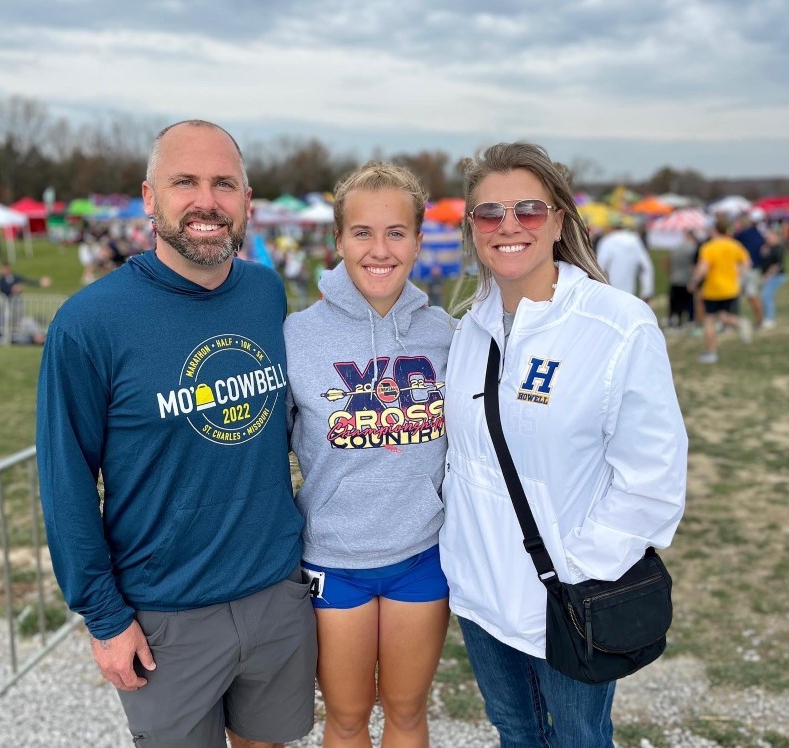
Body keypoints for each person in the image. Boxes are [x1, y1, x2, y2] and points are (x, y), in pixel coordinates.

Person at [36, 120, 317, 748]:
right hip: (165, 615)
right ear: (149, 198)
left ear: (248, 201)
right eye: (184, 181)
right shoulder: (89, 323)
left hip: (275, 591)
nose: (206, 201)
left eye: (224, 183)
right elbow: (66, 481)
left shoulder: (267, 293)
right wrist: (105, 619)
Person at [439, 142, 687, 748]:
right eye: (488, 214)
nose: (508, 227)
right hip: (480, 597)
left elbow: (653, 479)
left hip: (565, 597)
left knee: (578, 740)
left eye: (527, 209)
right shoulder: (467, 328)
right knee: (516, 733)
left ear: (558, 220)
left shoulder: (616, 325)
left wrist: (580, 569)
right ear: (472, 229)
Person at [284, 162, 453, 747]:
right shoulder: (296, 336)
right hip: (334, 560)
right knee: (349, 719)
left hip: (420, 554)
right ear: (337, 240)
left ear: (418, 239)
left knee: (407, 715)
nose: (379, 250)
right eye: (362, 232)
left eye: (396, 232)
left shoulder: (445, 334)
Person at [688, 217, 753, 364]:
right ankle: (739, 322)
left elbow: (703, 268)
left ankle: (711, 353)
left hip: (713, 289)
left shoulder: (709, 247)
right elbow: (747, 263)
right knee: (723, 316)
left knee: (709, 320)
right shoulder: (735, 245)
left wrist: (694, 282)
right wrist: (737, 272)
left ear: (715, 230)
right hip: (731, 288)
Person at [595, 220, 654, 302]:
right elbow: (645, 267)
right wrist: (647, 291)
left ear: (611, 227)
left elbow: (599, 268)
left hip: (611, 293)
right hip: (630, 293)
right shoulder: (635, 241)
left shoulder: (607, 241)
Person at [733, 215, 765, 327]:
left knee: (734, 296)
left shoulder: (740, 236)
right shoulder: (758, 234)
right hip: (755, 269)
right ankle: (760, 321)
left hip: (743, 269)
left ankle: (732, 321)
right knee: (753, 296)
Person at [665, 229, 698, 329]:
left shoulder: (677, 247)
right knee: (688, 301)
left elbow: (668, 261)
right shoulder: (693, 248)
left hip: (675, 278)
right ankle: (690, 320)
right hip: (687, 279)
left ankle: (675, 319)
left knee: (675, 302)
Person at [759, 228, 786, 329]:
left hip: (776, 276)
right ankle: (767, 318)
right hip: (768, 275)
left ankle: (769, 319)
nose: (768, 238)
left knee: (766, 295)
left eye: (770, 236)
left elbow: (777, 265)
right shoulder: (767, 247)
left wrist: (768, 275)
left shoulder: (779, 248)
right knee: (765, 296)